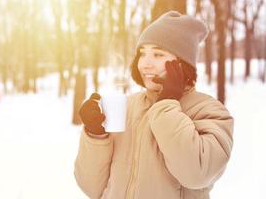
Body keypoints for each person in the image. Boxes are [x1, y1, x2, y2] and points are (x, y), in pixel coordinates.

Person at [74, 11, 234, 199]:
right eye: (142, 54)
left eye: (158, 54)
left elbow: (196, 174)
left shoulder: (210, 112)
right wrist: (96, 135)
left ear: (182, 64)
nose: (145, 64)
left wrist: (166, 104)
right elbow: (91, 187)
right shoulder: (128, 106)